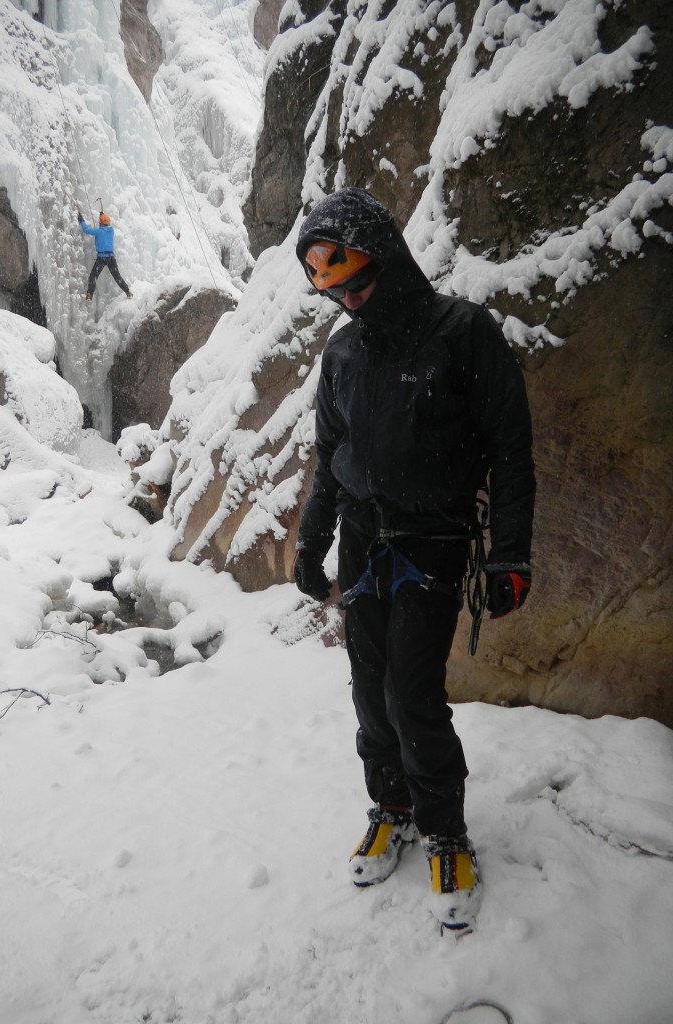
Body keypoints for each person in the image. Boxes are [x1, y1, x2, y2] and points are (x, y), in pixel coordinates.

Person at [293, 187, 535, 934]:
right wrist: (312, 539)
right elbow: (330, 453)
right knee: (370, 689)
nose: (351, 302)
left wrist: (509, 555)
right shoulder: (342, 353)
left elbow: (510, 449)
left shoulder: (462, 334)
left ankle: (445, 828)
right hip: (365, 539)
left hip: (435, 539)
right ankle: (390, 805)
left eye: (358, 283)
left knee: (412, 693)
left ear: (389, 259)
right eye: (335, 292)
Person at [76, 206, 132, 301]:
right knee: (117, 277)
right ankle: (128, 291)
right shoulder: (111, 231)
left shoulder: (98, 231)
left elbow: (86, 230)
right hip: (111, 258)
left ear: (101, 223)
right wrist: (102, 216)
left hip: (101, 258)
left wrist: (81, 219)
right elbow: (104, 225)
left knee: (93, 277)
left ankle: (89, 295)